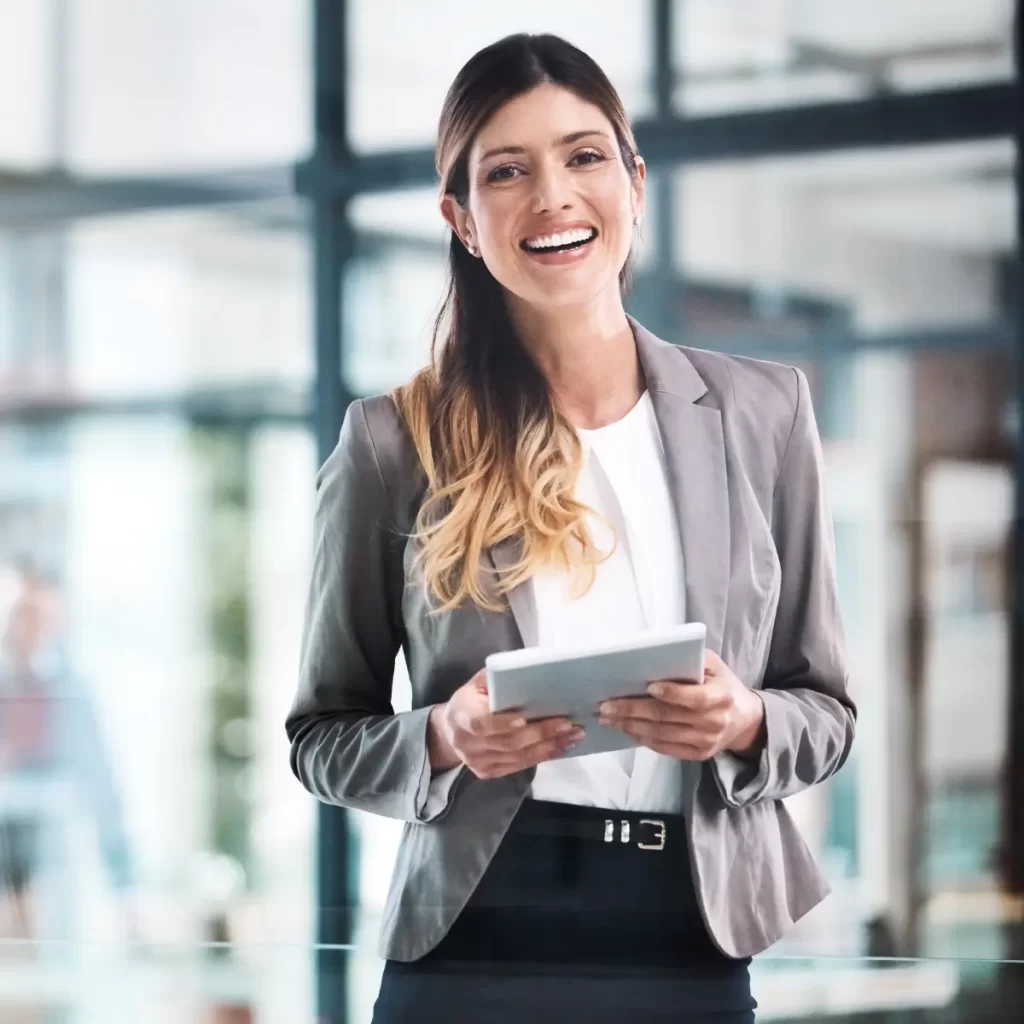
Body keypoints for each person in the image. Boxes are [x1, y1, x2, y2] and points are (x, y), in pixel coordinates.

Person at [286, 33, 856, 1024]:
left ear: (634, 183)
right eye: (507, 171)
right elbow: (319, 737)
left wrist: (745, 721)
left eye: (584, 156)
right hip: (474, 933)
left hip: (688, 934)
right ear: (461, 219)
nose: (552, 195)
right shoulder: (392, 442)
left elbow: (829, 711)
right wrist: (442, 738)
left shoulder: (765, 413)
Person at [0, 562, 136, 945]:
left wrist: (126, 896)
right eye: (17, 615)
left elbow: (105, 797)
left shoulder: (71, 698)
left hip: (52, 885)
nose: (23, 630)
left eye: (37, 618)